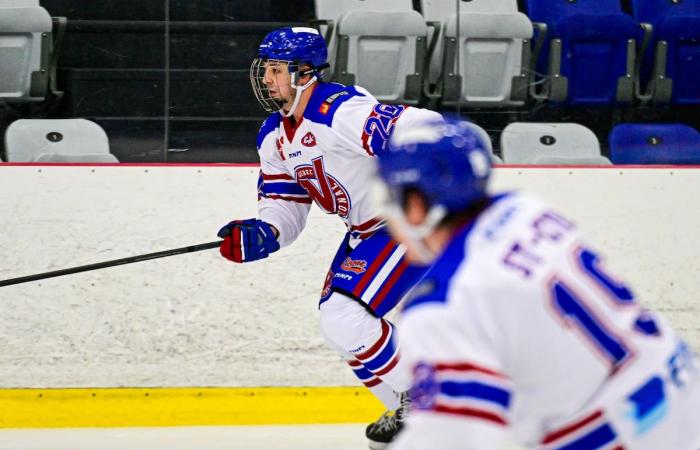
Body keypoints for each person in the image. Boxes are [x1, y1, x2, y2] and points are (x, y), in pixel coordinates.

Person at [373, 118, 700, 450]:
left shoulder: (442, 304)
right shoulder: (529, 212)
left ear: (416, 206)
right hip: (683, 389)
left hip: (621, 434)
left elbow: (452, 439)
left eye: (389, 198)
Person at [216, 26, 443, 449]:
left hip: (407, 221)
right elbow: (285, 204)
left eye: (277, 70)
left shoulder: (339, 111)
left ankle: (434, 406)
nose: (267, 79)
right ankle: (407, 414)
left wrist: (402, 145)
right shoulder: (274, 135)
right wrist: (265, 232)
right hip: (366, 232)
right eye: (265, 69)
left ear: (305, 74)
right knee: (338, 327)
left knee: (344, 316)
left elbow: (427, 125)